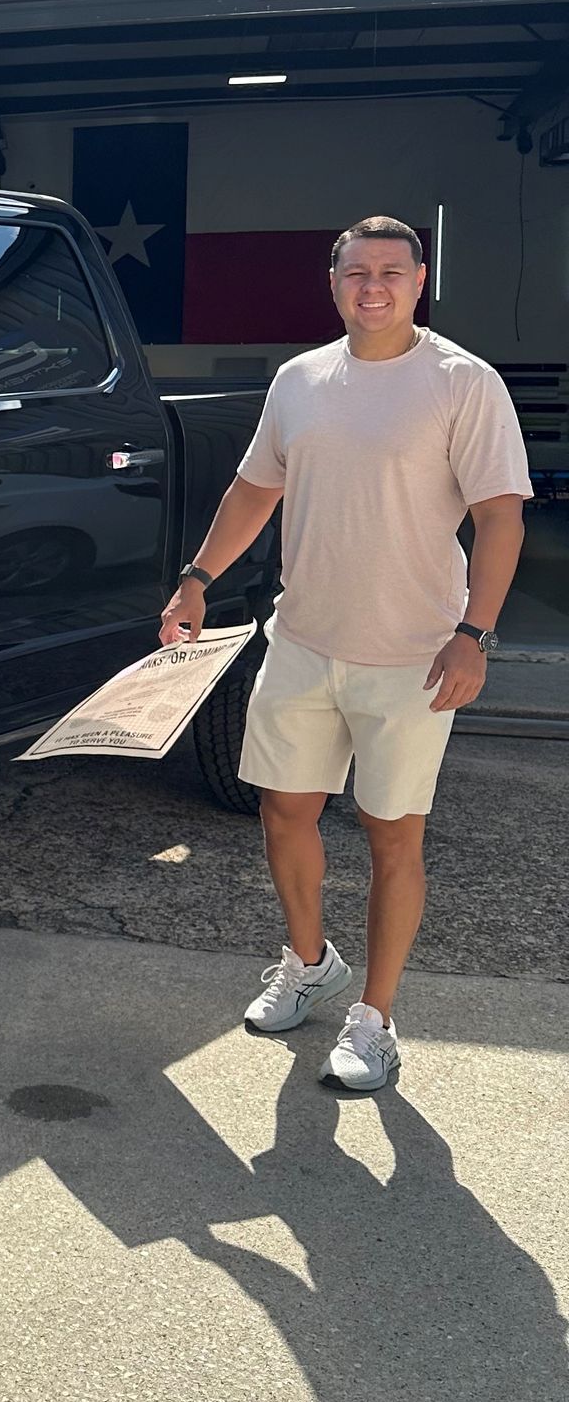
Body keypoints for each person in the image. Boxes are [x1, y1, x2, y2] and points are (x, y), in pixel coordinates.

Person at [158, 217, 529, 1093]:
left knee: (392, 835)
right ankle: (307, 960)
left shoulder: (461, 382)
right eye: (356, 272)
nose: (374, 286)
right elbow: (256, 488)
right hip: (303, 641)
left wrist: (473, 634)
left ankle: (376, 1018)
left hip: (414, 654)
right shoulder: (301, 380)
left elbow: (501, 515)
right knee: (283, 811)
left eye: (391, 272)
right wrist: (196, 577)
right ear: (332, 284)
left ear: (419, 278)